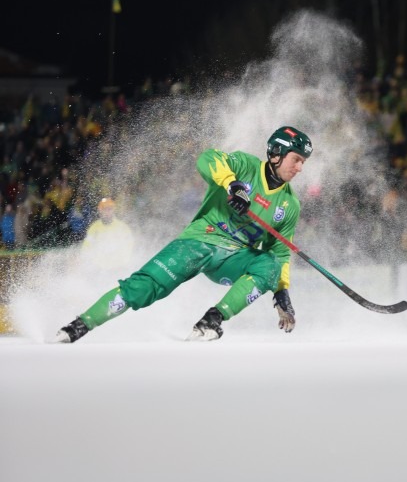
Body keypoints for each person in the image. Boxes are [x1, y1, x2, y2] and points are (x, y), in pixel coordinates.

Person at [55, 126, 313, 343]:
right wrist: (231, 184)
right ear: (276, 154)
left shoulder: (290, 204)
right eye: (296, 159)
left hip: (233, 259)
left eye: (303, 162)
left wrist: (282, 293)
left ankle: (212, 321)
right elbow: (207, 158)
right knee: (145, 287)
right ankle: (80, 325)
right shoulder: (245, 165)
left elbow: (280, 250)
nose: (300, 167)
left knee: (270, 265)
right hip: (201, 240)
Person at [80, 197, 135, 266]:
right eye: (104, 209)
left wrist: (124, 261)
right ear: (100, 211)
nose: (107, 212)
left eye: (109, 209)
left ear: (113, 210)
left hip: (118, 266)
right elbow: (86, 246)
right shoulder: (94, 228)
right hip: (98, 267)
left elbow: (129, 245)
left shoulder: (122, 227)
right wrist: (86, 261)